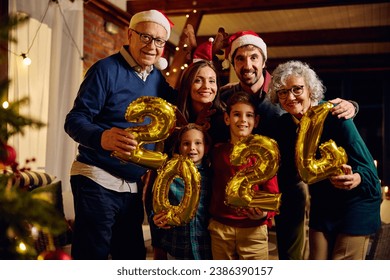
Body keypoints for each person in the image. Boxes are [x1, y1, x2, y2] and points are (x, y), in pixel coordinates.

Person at [216, 30, 359, 260]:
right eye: (240, 58)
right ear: (233, 63)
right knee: (248, 254)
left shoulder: (282, 92)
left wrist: (351, 105)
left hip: (288, 187)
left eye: (253, 57)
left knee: (290, 259)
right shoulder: (224, 96)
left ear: (264, 61)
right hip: (247, 190)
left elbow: (316, 108)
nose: (247, 64)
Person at [64, 9, 176, 260]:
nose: (152, 46)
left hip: (131, 186)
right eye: (145, 37)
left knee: (132, 257)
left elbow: (179, 108)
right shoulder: (104, 70)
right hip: (97, 177)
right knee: (92, 257)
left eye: (159, 41)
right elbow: (74, 120)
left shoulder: (157, 78)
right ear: (130, 35)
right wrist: (101, 137)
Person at [268, 60, 382, 260]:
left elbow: (370, 172)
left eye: (297, 89)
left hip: (355, 203)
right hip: (322, 205)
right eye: (283, 92)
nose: (290, 97)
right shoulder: (284, 125)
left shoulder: (335, 114)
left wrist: (357, 178)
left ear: (310, 90)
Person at [208, 91, 279, 260]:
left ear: (256, 121)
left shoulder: (264, 155)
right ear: (227, 119)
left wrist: (264, 213)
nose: (243, 121)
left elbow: (272, 194)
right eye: (236, 115)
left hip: (254, 231)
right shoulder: (217, 152)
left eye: (249, 116)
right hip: (220, 229)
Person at [152, 123, 213, 260]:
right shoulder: (169, 176)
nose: (192, 148)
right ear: (179, 147)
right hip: (175, 248)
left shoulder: (212, 176)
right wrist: (155, 219)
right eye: (186, 143)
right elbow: (156, 206)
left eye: (198, 143)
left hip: (206, 248)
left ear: (206, 147)